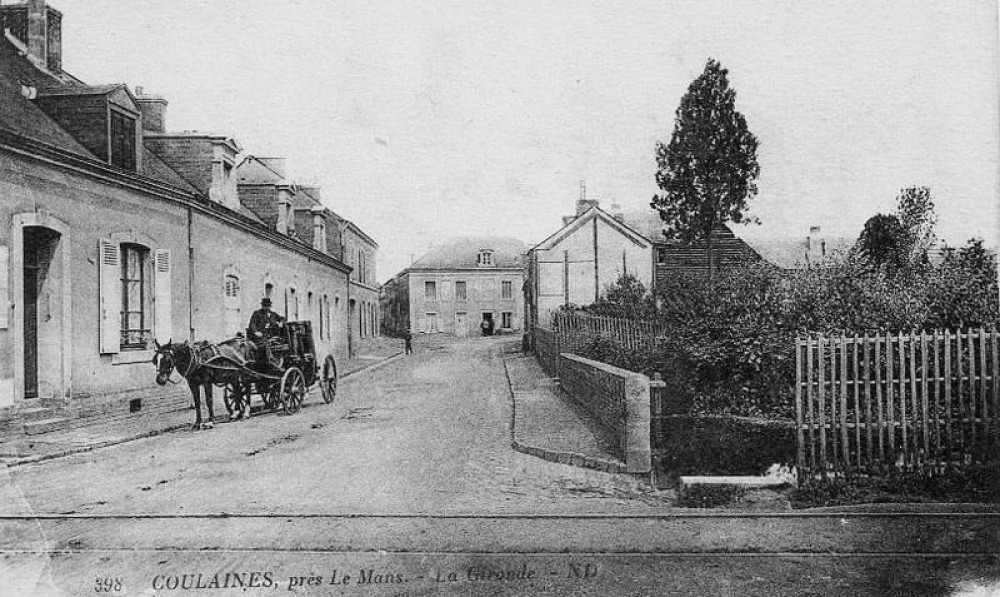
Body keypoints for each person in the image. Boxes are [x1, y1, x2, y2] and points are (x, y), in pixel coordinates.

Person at [248, 297, 285, 371]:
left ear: (270, 306)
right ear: (262, 306)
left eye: (267, 306)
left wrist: (281, 323)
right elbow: (252, 324)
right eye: (264, 306)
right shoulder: (257, 313)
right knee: (263, 345)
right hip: (260, 336)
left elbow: (282, 318)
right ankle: (271, 361)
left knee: (270, 343)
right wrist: (256, 332)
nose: (266, 308)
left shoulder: (273, 314)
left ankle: (274, 361)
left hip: (271, 336)